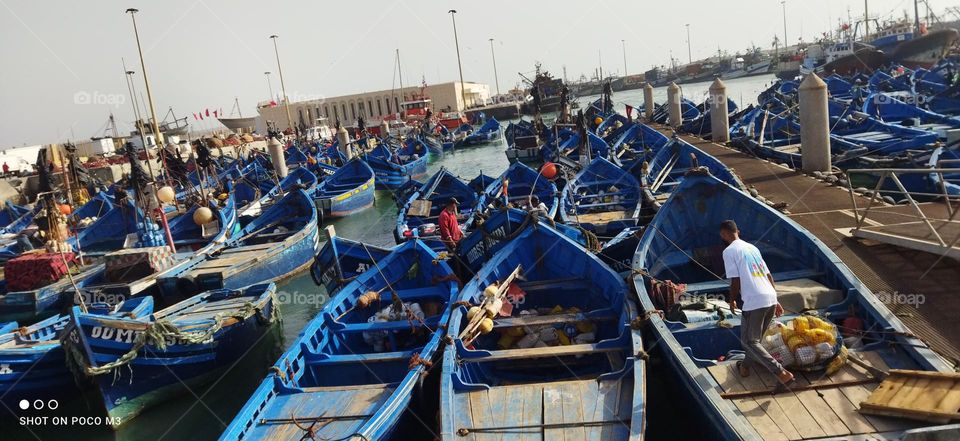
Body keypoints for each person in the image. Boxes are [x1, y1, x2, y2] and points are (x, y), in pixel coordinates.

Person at [720, 220, 794, 385]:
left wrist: (731, 299)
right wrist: (776, 299)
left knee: (749, 341)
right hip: (770, 298)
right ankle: (745, 366)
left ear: (723, 234)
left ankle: (780, 371)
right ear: (737, 231)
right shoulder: (753, 248)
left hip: (755, 301)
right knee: (755, 341)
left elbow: (736, 279)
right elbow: (768, 275)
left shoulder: (729, 251)